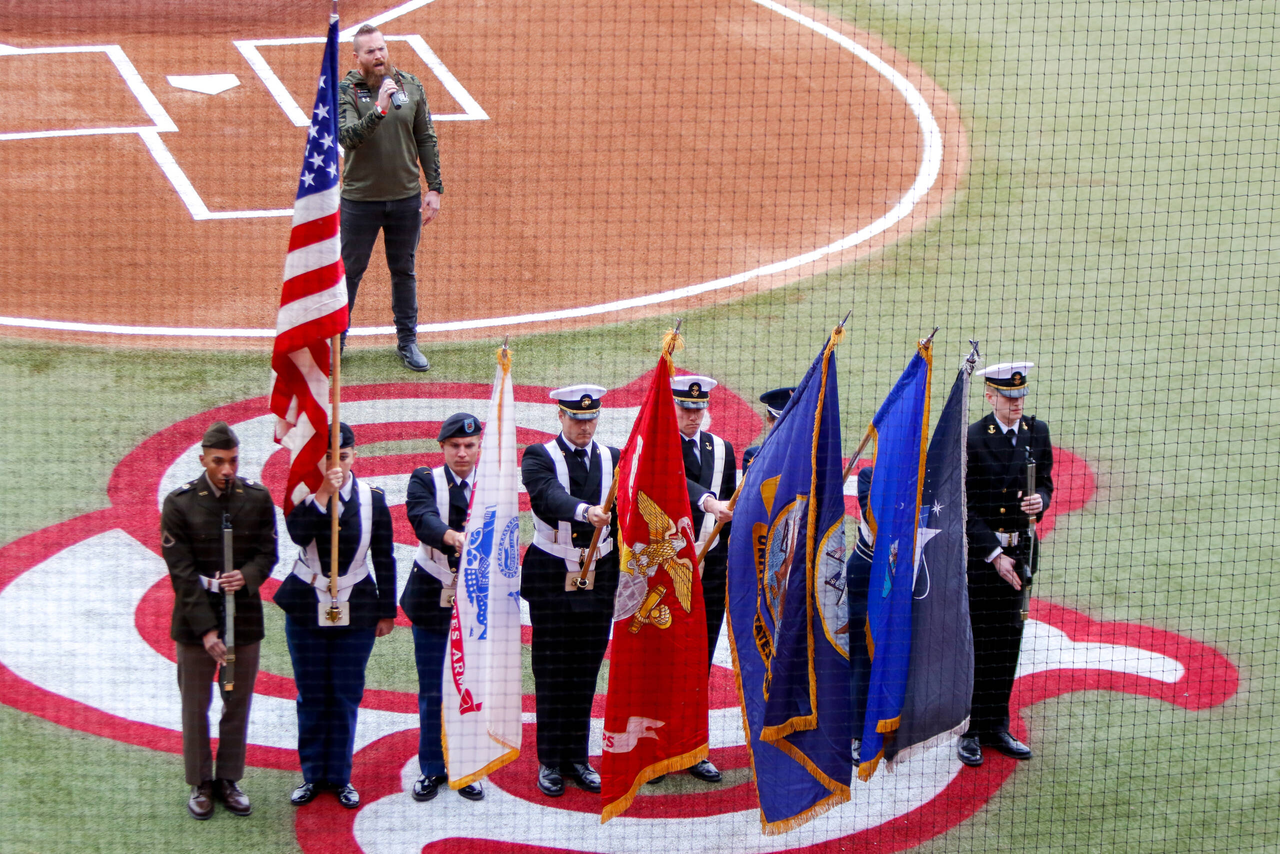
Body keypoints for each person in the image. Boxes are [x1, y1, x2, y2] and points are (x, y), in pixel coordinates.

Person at [275, 423, 397, 808]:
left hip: (357, 606)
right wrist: (324, 493)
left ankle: (340, 776)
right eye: (329, 458)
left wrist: (387, 610)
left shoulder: (373, 498)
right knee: (311, 694)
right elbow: (296, 535)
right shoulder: (304, 493)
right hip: (306, 605)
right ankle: (313, 775)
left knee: (345, 693)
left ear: (354, 456)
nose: (337, 464)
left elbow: (384, 556)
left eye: (343, 456)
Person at [161, 421, 278, 820]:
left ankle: (228, 778)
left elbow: (268, 553)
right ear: (203, 460)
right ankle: (200, 782)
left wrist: (246, 576)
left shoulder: (257, 498)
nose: (228, 470)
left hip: (242, 618)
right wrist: (207, 631)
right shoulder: (179, 504)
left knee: (236, 701)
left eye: (233, 461)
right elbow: (181, 573)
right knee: (195, 706)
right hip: (196, 623)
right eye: (219, 462)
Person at [520, 385, 620, 797]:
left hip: (599, 578)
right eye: (576, 419)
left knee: (585, 671)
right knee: (552, 671)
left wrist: (704, 502)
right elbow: (548, 496)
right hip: (553, 577)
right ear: (560, 417)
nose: (584, 426)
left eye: (590, 418)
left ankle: (578, 757)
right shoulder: (538, 456)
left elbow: (655, 482)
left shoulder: (614, 457)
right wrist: (586, 511)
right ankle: (550, 759)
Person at [957, 362, 1053, 768]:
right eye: (1009, 397)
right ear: (990, 396)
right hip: (985, 559)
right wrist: (994, 555)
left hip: (1022, 551)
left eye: (1021, 396)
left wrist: (1041, 502)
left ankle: (997, 723)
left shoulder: (1037, 432)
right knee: (980, 642)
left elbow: (1045, 481)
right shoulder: (974, 439)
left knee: (1009, 641)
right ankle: (972, 729)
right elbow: (967, 508)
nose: (1017, 403)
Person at [338, 24, 444, 372]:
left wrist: (434, 188)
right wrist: (379, 109)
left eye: (382, 48)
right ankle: (335, 342)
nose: (379, 55)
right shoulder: (346, 91)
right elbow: (348, 137)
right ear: (357, 57)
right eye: (370, 51)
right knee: (350, 272)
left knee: (404, 270)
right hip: (360, 202)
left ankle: (408, 342)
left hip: (404, 200)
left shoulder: (409, 85)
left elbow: (425, 137)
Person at [647, 376, 736, 785]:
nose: (691, 416)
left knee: (698, 662)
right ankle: (655, 750)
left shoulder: (722, 449)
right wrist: (707, 502)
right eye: (684, 409)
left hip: (711, 571)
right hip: (666, 570)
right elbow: (672, 484)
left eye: (697, 409)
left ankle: (691, 748)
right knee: (662, 661)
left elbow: (732, 509)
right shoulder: (657, 446)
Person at [401, 412, 485, 802]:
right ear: (443, 448)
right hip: (432, 599)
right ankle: (433, 768)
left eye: (469, 445)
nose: (462, 453)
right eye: (455, 446)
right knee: (434, 689)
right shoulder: (425, 480)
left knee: (469, 689)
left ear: (478, 446)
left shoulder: (491, 483)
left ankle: (466, 767)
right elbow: (421, 518)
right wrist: (452, 536)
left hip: (478, 604)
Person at [740, 386, 795, 472]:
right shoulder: (753, 456)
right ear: (770, 421)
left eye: (793, 422)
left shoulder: (816, 455)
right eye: (782, 423)